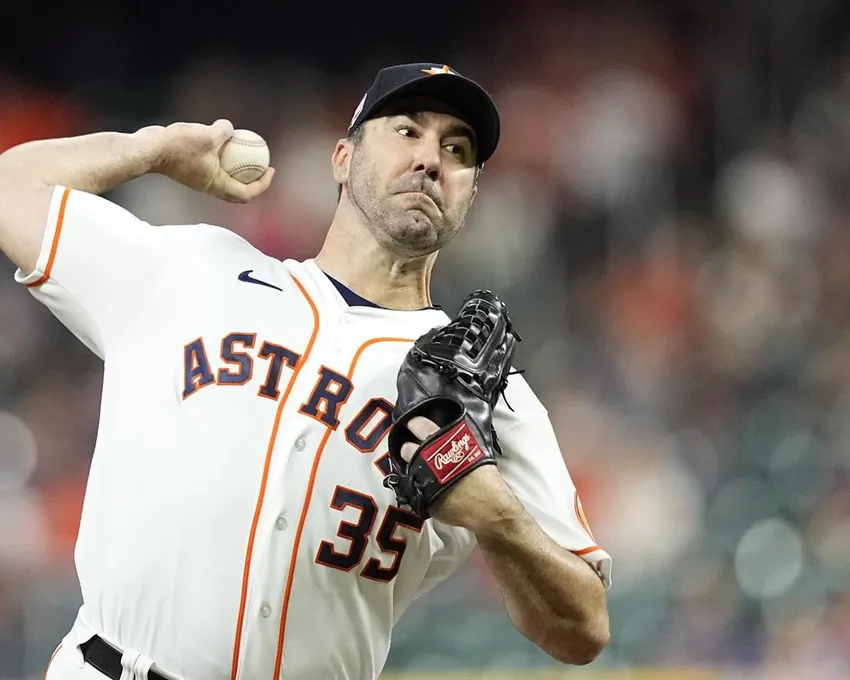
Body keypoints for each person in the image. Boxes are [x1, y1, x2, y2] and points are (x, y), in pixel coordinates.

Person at [0, 62, 612, 680]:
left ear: (469, 194)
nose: (431, 158)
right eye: (407, 131)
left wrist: (494, 515)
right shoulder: (191, 271)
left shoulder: (485, 392)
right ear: (342, 158)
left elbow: (582, 629)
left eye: (457, 149)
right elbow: (9, 186)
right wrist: (151, 148)